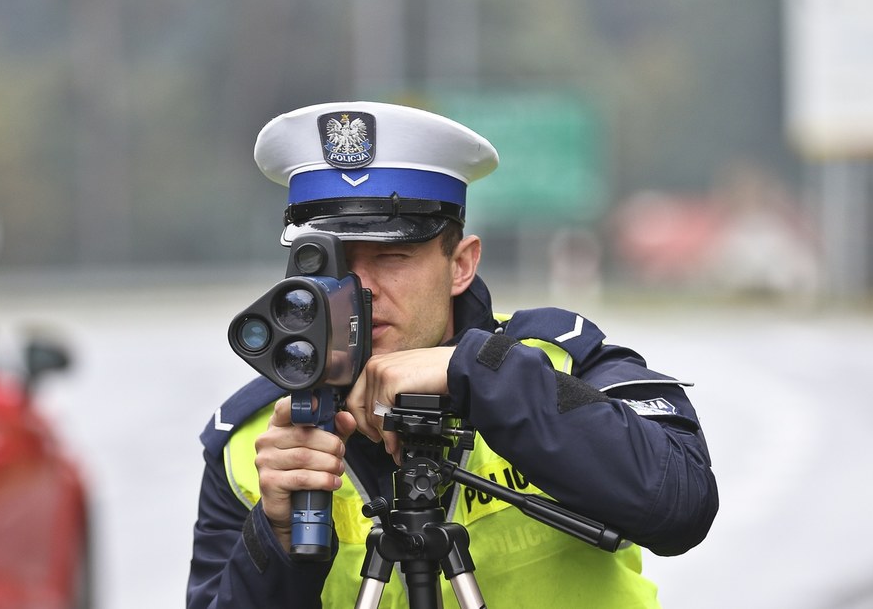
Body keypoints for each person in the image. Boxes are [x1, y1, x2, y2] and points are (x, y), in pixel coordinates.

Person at [187, 101, 718, 608]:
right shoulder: (251, 440)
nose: (359, 288)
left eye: (392, 255)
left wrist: (474, 372)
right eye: (331, 260)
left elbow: (683, 502)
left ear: (460, 264)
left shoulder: (557, 361)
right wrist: (276, 536)